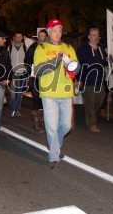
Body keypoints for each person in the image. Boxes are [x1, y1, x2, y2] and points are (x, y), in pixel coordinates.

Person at [34, 19, 79, 169]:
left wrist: (72, 65)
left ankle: (55, 146)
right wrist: (56, 61)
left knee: (66, 126)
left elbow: (76, 69)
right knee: (51, 126)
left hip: (66, 92)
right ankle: (54, 156)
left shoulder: (68, 47)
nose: (57, 33)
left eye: (59, 30)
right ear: (48, 32)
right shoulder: (41, 48)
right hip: (49, 93)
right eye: (54, 30)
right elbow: (39, 70)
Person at [76, 28, 107, 133]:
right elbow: (79, 65)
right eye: (93, 35)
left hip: (99, 81)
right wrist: (79, 80)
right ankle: (92, 124)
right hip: (87, 81)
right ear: (89, 37)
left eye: (97, 35)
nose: (96, 37)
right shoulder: (83, 49)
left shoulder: (101, 49)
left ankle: (89, 116)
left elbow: (105, 61)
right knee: (89, 103)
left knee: (100, 100)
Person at [25, 29, 47, 133]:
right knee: (37, 99)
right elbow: (27, 61)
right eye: (40, 36)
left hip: (47, 78)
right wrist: (32, 69)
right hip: (35, 77)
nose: (41, 38)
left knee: (45, 100)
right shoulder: (33, 47)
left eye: (43, 36)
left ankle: (43, 121)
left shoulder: (49, 48)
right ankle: (38, 123)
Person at [8, 31, 28, 117]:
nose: (18, 38)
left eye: (20, 37)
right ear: (14, 37)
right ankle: (12, 109)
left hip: (22, 74)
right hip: (12, 73)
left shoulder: (25, 47)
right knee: (12, 94)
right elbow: (7, 60)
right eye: (17, 37)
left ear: (22, 37)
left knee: (20, 94)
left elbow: (28, 60)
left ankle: (17, 110)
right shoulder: (9, 47)